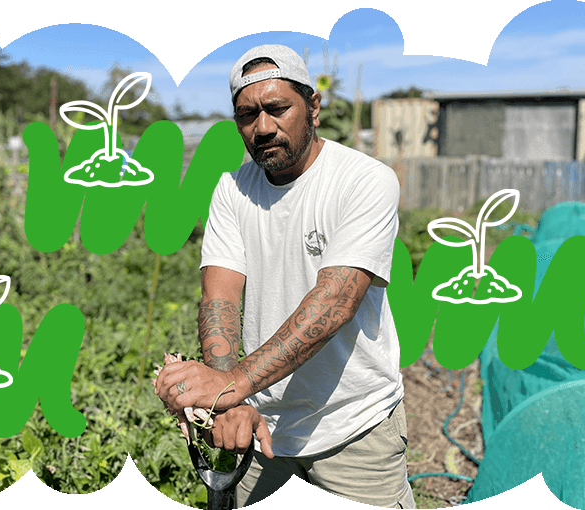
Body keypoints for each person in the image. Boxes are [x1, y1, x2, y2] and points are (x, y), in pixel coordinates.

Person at [155, 44, 415, 508]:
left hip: (352, 424)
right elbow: (221, 298)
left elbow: (334, 302)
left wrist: (231, 384)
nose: (263, 127)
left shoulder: (364, 180)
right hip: (261, 425)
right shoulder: (232, 190)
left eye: (278, 109)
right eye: (247, 115)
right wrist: (227, 400)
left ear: (313, 107)